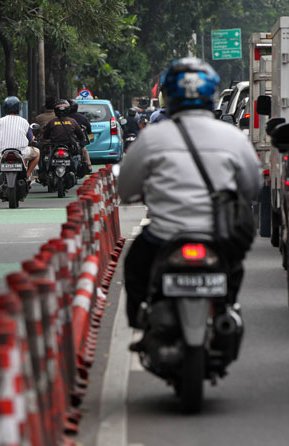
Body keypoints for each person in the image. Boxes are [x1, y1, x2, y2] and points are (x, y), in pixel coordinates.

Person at [118, 58, 261, 336]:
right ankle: (227, 308)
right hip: (219, 235)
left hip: (163, 236)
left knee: (135, 265)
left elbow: (126, 189)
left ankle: (140, 323)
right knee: (234, 266)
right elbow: (252, 186)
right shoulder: (233, 137)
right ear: (211, 95)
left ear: (168, 95)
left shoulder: (152, 137)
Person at [0, 96, 40, 180]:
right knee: (37, 152)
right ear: (18, 108)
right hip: (22, 153)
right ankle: (27, 174)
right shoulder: (24, 121)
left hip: (3, 153)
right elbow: (31, 138)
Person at [67, 99, 93, 168]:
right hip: (75, 140)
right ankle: (89, 166)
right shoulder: (81, 117)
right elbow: (89, 127)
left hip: (68, 139)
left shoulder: (63, 118)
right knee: (84, 149)